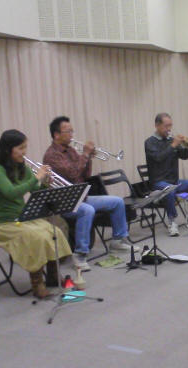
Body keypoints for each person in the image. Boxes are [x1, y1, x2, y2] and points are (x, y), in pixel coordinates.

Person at [43, 116, 140, 272]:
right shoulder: (52, 155)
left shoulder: (71, 150)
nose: (72, 135)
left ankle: (117, 241)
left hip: (81, 197)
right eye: (68, 131)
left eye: (72, 131)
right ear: (56, 135)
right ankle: (80, 254)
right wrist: (86, 154)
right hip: (64, 202)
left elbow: (85, 174)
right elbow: (73, 173)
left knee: (117, 202)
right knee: (87, 210)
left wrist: (89, 159)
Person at [0, 129, 72, 299]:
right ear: (7, 150)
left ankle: (53, 276)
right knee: (36, 237)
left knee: (54, 231)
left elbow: (35, 191)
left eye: (25, 147)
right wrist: (36, 177)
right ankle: (37, 284)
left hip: (23, 219)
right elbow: (11, 193)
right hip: (4, 224)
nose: (24, 152)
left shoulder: (22, 168)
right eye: (20, 148)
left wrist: (45, 182)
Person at [144, 113, 188, 237]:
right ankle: (172, 221)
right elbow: (158, 158)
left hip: (175, 181)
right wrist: (173, 145)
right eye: (166, 126)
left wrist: (186, 145)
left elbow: (185, 156)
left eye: (170, 126)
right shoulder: (150, 142)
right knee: (170, 190)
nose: (169, 129)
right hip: (158, 182)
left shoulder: (171, 140)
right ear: (157, 125)